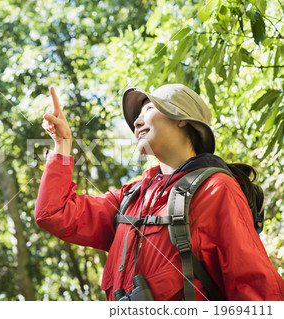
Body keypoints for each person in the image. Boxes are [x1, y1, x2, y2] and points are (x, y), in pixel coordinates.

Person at [35, 84, 284, 301]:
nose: (137, 122)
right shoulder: (131, 198)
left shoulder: (217, 189)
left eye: (148, 109)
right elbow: (54, 213)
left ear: (181, 118)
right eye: (137, 116)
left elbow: (256, 289)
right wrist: (62, 145)